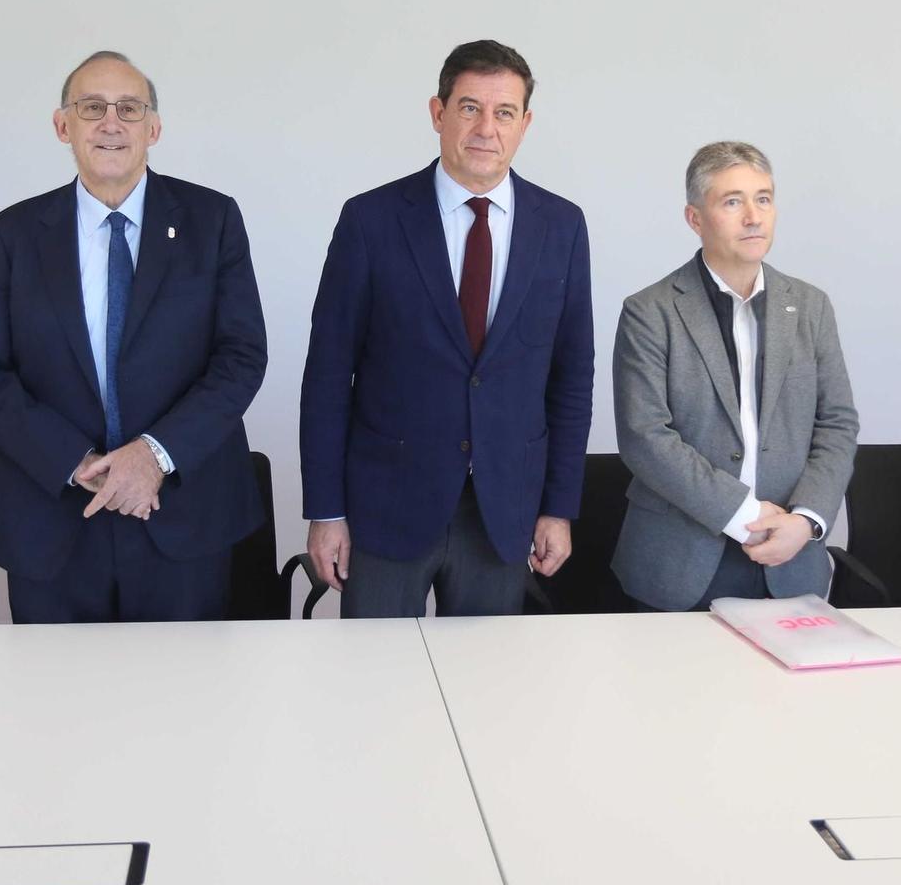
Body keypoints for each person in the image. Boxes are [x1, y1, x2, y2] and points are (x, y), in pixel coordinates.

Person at [0, 51, 267, 623]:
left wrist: (153, 455)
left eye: (128, 108)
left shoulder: (213, 220)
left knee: (186, 702)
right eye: (91, 107)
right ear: (62, 125)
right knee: (58, 706)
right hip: (54, 520)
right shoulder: (13, 234)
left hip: (182, 519)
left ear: (154, 128)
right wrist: (77, 462)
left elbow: (241, 357)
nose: (110, 123)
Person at [300, 39, 593, 617]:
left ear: (525, 123)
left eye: (504, 112)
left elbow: (571, 378)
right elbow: (328, 374)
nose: (486, 127)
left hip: (504, 511)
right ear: (438, 113)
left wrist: (559, 506)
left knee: (486, 690)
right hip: (387, 508)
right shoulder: (372, 220)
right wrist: (326, 512)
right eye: (469, 108)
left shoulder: (561, 227)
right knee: (376, 684)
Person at [611, 141, 858, 611]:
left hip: (789, 556)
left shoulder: (810, 307)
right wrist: (743, 513)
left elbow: (838, 424)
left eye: (763, 198)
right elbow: (645, 437)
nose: (753, 216)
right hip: (679, 562)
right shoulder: (649, 311)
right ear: (694, 218)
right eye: (732, 201)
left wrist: (805, 520)